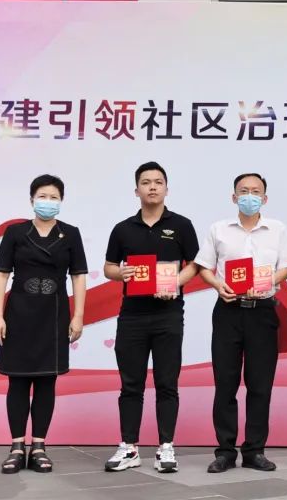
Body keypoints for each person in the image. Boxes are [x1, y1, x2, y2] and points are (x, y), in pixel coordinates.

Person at [195, 173, 287, 473]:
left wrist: (268, 281)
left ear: (264, 198)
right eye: (243, 191)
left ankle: (254, 450)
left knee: (260, 384)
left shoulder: (277, 229)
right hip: (228, 310)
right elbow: (204, 267)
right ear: (234, 197)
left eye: (255, 192)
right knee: (225, 383)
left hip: (263, 311)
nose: (249, 196)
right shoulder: (219, 229)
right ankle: (225, 452)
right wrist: (218, 285)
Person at [103, 162, 199, 473]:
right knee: (130, 384)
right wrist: (121, 272)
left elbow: (195, 264)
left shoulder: (181, 225)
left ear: (167, 188)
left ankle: (166, 447)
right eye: (146, 182)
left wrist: (175, 283)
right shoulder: (123, 229)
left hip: (168, 315)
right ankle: (129, 447)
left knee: (167, 383)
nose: (153, 187)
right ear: (137, 190)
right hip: (132, 316)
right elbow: (108, 267)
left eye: (158, 182)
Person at [0, 174, 87, 474]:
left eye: (54, 197)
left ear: (62, 201)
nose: (48, 202)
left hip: (54, 314)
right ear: (32, 200)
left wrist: (78, 315)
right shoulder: (15, 232)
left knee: (47, 381)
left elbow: (78, 276)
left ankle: (39, 447)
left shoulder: (70, 234)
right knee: (17, 381)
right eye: (42, 196)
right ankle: (16, 447)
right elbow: (1, 274)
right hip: (19, 314)